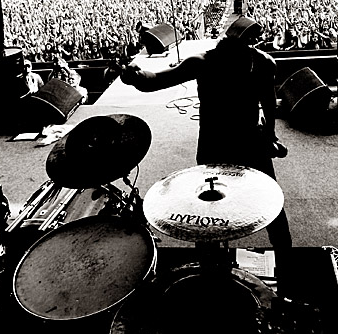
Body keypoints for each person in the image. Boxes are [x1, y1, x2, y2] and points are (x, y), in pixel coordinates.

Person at [119, 16, 292, 249]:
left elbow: (154, 82)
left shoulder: (211, 62)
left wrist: (270, 135)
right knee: (250, 204)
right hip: (235, 141)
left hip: (224, 142)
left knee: (214, 209)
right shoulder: (254, 63)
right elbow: (153, 81)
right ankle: (285, 257)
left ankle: (213, 263)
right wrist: (135, 75)